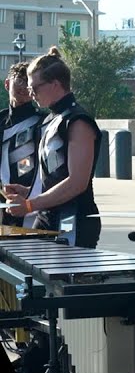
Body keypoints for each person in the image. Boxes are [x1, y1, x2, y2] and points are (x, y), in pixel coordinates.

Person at [4, 48, 101, 247]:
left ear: (55, 85)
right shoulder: (51, 120)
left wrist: (30, 204)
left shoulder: (77, 121)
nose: (30, 93)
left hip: (72, 219)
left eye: (34, 88)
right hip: (48, 217)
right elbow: (55, 175)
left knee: (60, 277)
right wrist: (28, 191)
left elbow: (76, 183)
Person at [0, 62, 46, 228]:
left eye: (28, 82)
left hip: (30, 204)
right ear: (7, 84)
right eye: (19, 80)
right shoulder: (1, 120)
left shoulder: (43, 122)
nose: (23, 86)